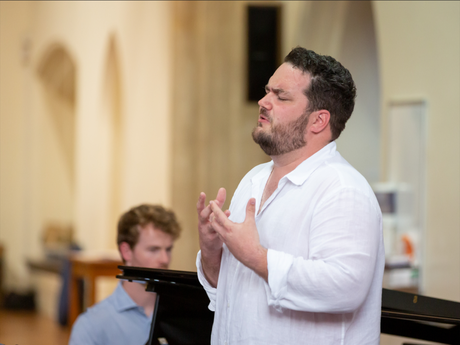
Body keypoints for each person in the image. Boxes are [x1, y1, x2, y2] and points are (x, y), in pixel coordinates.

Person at [196, 47, 384, 344]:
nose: (263, 102)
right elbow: (233, 290)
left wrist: (255, 256)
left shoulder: (343, 190)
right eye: (267, 91)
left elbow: (345, 287)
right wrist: (211, 251)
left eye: (281, 96)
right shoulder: (253, 179)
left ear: (318, 121)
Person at [69, 204, 181, 345]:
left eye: (169, 249)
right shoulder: (91, 327)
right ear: (126, 251)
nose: (165, 259)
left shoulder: (182, 317)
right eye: (154, 249)